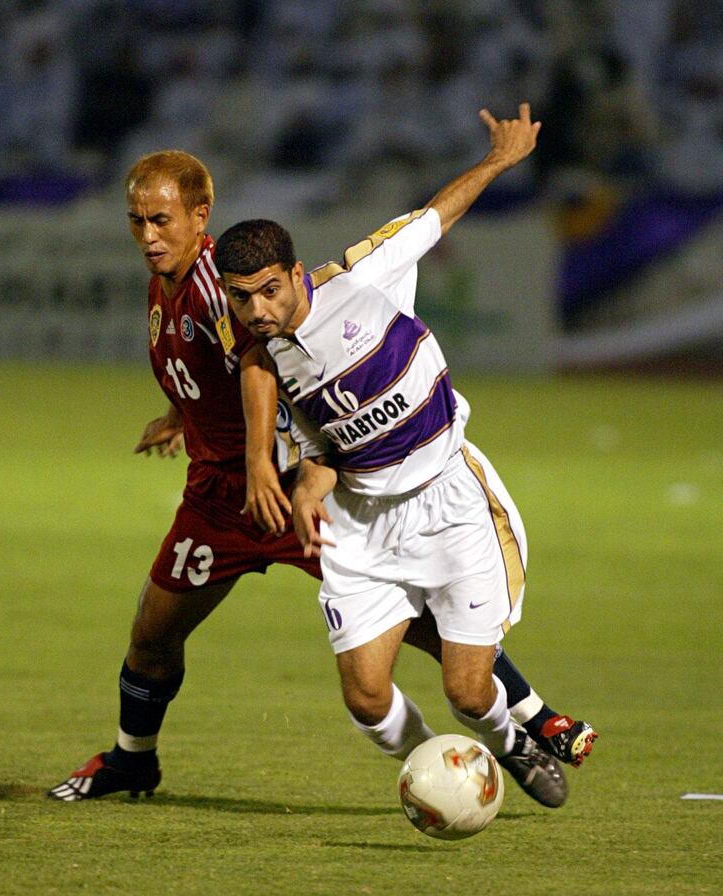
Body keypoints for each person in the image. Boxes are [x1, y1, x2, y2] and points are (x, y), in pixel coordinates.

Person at [48, 144, 594, 802]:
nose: (148, 234)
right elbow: (220, 373)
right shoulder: (168, 280)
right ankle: (132, 761)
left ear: (201, 216)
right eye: (137, 220)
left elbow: (260, 364)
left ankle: (528, 721)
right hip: (218, 497)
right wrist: (180, 410)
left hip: (295, 491)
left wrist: (267, 460)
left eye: (161, 221)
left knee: (424, 625)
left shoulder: (228, 292)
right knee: (153, 633)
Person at [216, 104, 593, 807]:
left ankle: (511, 745)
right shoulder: (262, 355)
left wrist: (498, 161)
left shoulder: (362, 277)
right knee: (365, 697)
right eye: (242, 299)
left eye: (269, 290)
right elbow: (327, 446)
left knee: (468, 689)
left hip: (447, 502)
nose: (259, 309)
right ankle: (437, 780)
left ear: (294, 273)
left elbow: (435, 216)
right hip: (361, 521)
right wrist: (299, 483)